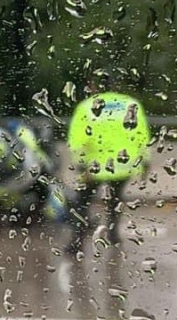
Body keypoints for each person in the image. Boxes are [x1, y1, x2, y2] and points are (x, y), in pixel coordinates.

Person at [65, 88, 151, 256]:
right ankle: (113, 236)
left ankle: (77, 242)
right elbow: (142, 136)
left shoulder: (87, 106)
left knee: (81, 203)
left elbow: (77, 140)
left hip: (94, 167)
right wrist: (146, 161)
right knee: (115, 201)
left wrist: (80, 165)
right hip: (123, 166)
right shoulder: (131, 104)